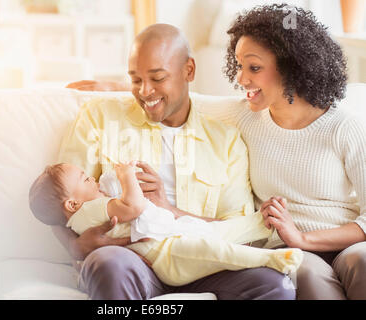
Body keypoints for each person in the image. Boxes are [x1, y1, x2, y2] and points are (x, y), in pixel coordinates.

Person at [69, 5, 366, 300]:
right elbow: (183, 99)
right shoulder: (246, 116)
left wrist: (305, 238)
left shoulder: (341, 128)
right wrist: (123, 86)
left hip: (334, 240)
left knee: (353, 265)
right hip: (279, 247)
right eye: (239, 66)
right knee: (305, 272)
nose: (241, 79)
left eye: (254, 67)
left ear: (292, 66)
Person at [54, 23, 296, 300]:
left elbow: (239, 230)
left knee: (274, 284)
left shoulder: (225, 140)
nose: (145, 91)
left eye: (157, 78)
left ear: (189, 70)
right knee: (108, 263)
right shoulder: (99, 117)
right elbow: (61, 199)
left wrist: (169, 209)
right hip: (133, 260)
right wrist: (75, 248)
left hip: (203, 263)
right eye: (135, 79)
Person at [29, 162, 303, 286]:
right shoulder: (92, 210)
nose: (92, 178)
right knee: (212, 247)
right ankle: (270, 258)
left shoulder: (87, 211)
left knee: (214, 232)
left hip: (171, 235)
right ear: (72, 205)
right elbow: (133, 206)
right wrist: (126, 177)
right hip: (166, 254)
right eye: (86, 179)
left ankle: (261, 223)